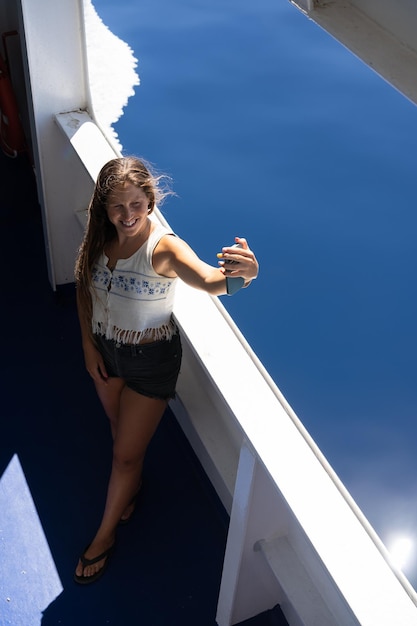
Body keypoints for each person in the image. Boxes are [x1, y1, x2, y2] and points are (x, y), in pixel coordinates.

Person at [73, 156, 259, 584]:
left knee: (123, 456)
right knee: (121, 435)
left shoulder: (164, 248)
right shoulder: (100, 238)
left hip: (149, 362)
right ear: (104, 207)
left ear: (150, 201)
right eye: (117, 206)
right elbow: (85, 289)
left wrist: (245, 274)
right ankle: (133, 486)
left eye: (136, 203)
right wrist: (88, 347)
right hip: (105, 353)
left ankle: (103, 536)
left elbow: (211, 280)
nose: (127, 215)